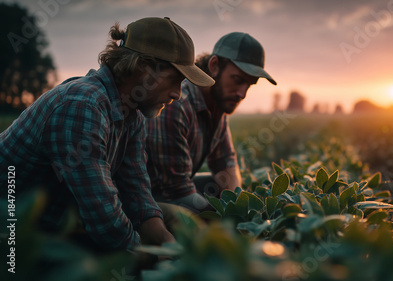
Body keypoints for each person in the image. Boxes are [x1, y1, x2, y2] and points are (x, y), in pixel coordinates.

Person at [0, 17, 214, 251]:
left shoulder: (132, 113)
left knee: (173, 219)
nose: (177, 94)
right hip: (12, 234)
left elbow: (136, 189)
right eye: (174, 80)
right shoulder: (82, 106)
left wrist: (165, 241)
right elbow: (102, 214)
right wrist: (147, 256)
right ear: (143, 67)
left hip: (55, 223)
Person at [146, 32, 276, 213]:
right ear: (214, 66)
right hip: (145, 198)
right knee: (206, 213)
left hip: (174, 191)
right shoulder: (177, 104)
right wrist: (225, 221)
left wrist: (240, 210)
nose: (242, 94)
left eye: (249, 85)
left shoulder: (218, 108)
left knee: (219, 184)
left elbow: (226, 164)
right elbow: (177, 190)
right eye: (237, 80)